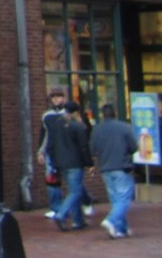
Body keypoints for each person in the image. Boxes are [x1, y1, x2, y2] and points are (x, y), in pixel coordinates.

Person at [37, 89, 93, 218]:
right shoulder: (47, 116)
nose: (56, 99)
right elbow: (45, 135)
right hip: (53, 151)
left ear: (64, 98)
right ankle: (56, 208)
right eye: (54, 97)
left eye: (59, 96)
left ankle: (85, 201)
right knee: (52, 180)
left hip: (69, 152)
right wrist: (41, 151)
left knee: (74, 183)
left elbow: (84, 132)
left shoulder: (71, 114)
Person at [90, 103, 138, 239]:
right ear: (114, 113)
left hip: (105, 167)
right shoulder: (124, 127)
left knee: (116, 199)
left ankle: (121, 228)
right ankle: (111, 220)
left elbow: (92, 149)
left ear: (102, 114)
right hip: (121, 167)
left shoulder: (97, 129)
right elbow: (134, 147)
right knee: (124, 198)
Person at [48, 100, 92, 231]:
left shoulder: (56, 124)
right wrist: (89, 163)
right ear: (75, 112)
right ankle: (62, 214)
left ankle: (78, 220)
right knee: (75, 191)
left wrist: (53, 161)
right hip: (75, 163)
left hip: (61, 163)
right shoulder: (78, 126)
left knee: (74, 190)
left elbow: (51, 144)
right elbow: (84, 147)